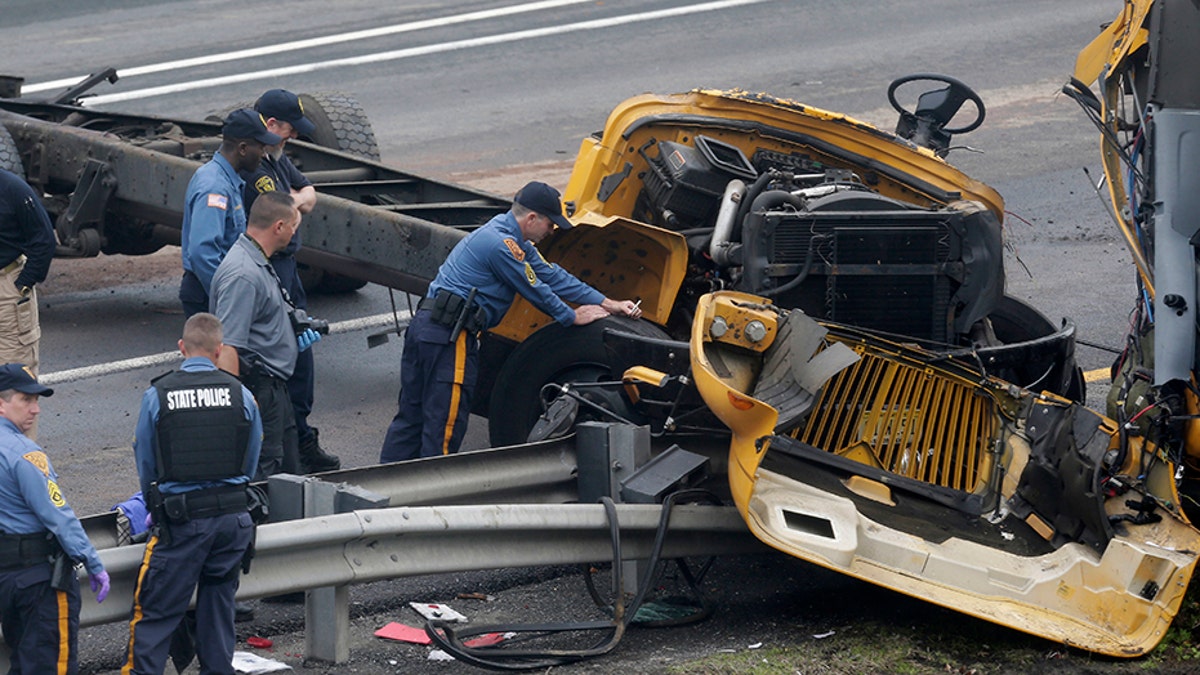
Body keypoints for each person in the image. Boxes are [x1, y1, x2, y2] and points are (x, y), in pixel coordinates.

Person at [380, 181, 642, 462]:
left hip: (427, 328)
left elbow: (552, 276)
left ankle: (386, 488)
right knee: (444, 425)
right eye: (550, 224)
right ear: (532, 219)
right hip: (449, 337)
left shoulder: (505, 233)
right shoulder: (502, 245)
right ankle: (430, 496)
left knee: (412, 416)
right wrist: (571, 316)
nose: (551, 231)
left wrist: (606, 302)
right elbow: (534, 287)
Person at [121, 312, 261, 675]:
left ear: (182, 348)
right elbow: (250, 462)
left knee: (156, 615)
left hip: (182, 522)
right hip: (233, 523)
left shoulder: (158, 395)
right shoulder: (241, 395)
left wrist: (157, 502)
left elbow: (147, 462)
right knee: (218, 614)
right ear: (219, 351)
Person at [241, 89, 339, 473]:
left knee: (302, 351)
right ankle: (291, 445)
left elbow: (309, 195)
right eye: (289, 129)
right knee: (283, 355)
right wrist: (294, 201)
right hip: (274, 267)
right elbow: (283, 207)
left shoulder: (278, 161)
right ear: (270, 125)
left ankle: (300, 435)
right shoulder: (259, 170)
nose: (294, 136)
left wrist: (295, 200)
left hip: (288, 267)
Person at [0, 363, 108, 673]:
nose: (35, 410)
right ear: (1, 403)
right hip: (38, 580)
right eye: (26, 400)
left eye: (37, 401)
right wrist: (94, 563)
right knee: (51, 665)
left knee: (23, 662)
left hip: (6, 577)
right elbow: (59, 516)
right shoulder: (24, 454)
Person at [211, 190, 322, 479]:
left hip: (274, 389)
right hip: (258, 391)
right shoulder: (243, 274)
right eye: (294, 227)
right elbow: (227, 347)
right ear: (279, 227)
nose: (295, 234)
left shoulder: (257, 259)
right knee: (265, 473)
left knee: (287, 472)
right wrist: (237, 406)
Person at [178, 109, 282, 317]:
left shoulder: (226, 179)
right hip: (209, 291)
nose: (263, 154)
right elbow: (202, 253)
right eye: (260, 147)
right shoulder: (214, 187)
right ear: (243, 148)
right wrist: (230, 296)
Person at [0, 169, 56, 376]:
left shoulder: (13, 189)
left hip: (6, 292)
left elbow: (44, 240)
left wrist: (23, 283)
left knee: (14, 377)